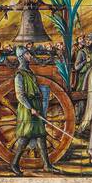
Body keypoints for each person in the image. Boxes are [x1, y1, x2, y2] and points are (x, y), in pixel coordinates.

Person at [11, 46, 63, 175]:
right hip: (27, 108)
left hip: (35, 105)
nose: (30, 56)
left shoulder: (30, 73)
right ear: (22, 57)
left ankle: (47, 165)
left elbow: (34, 89)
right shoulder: (19, 75)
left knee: (41, 135)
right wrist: (31, 108)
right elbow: (20, 95)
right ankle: (14, 163)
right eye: (28, 54)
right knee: (25, 135)